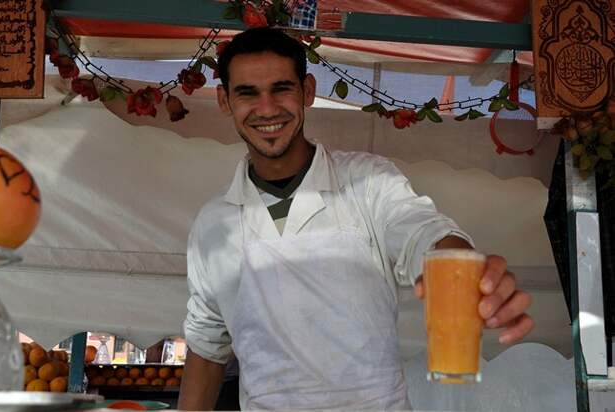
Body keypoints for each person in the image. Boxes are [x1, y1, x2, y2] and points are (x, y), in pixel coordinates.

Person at [178, 28, 534, 411]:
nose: (267, 108)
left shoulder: (369, 182)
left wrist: (465, 268)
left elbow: (423, 233)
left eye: (282, 88)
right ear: (224, 100)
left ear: (307, 91)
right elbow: (206, 343)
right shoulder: (212, 224)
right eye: (247, 92)